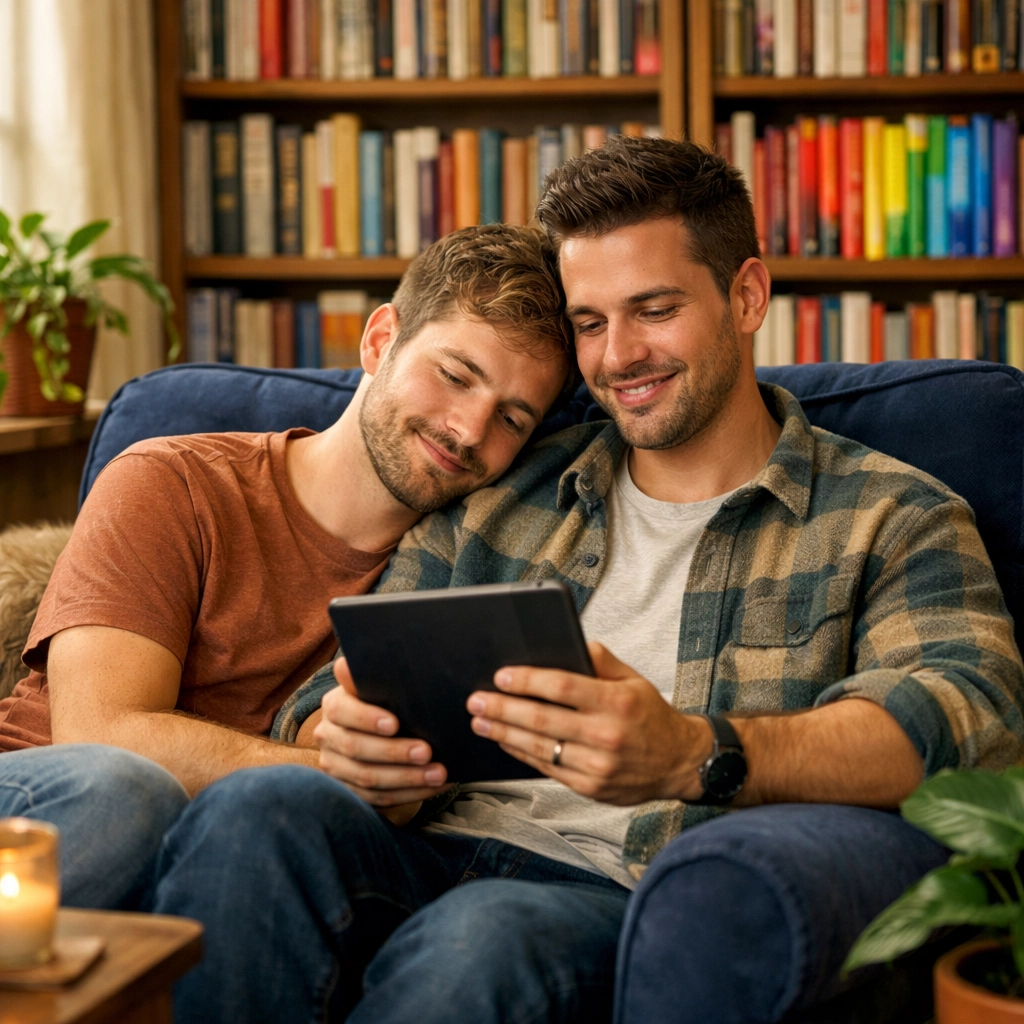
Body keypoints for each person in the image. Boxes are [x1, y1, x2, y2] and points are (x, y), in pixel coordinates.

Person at [150, 137, 1024, 1024]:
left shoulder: (890, 514)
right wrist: (349, 739)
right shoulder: (508, 484)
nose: (619, 357)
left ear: (747, 295)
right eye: (591, 323)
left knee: (483, 936)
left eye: (655, 309)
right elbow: (323, 699)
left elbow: (970, 713)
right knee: (256, 806)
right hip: (421, 848)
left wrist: (693, 751)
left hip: (613, 890)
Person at [0, 225, 573, 909]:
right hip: (39, 821)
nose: (469, 429)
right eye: (454, 376)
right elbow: (100, 735)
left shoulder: (465, 572)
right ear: (380, 340)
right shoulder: (171, 481)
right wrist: (335, 774)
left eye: (512, 419)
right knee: (126, 793)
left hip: (224, 882)